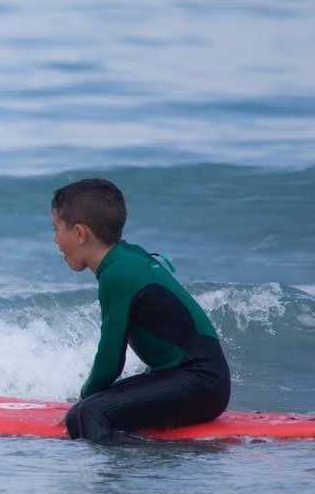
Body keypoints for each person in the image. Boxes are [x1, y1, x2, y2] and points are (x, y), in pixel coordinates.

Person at [50, 178, 231, 441]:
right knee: (94, 404)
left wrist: (84, 400)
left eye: (56, 229)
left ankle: (118, 476)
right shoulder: (126, 258)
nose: (55, 240)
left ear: (80, 233)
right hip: (193, 378)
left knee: (89, 414)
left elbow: (110, 358)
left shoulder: (117, 274)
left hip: (200, 382)